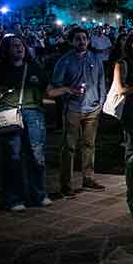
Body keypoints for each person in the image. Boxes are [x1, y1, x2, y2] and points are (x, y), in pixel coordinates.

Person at [0, 35, 55, 210]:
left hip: (33, 114)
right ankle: (14, 199)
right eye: (13, 46)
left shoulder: (35, 68)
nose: (18, 48)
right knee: (13, 157)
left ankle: (39, 194)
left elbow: (48, 90)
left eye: (20, 45)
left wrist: (67, 90)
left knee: (36, 155)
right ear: (6, 50)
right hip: (8, 114)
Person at [52, 27, 107, 194]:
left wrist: (101, 102)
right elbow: (56, 84)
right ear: (71, 41)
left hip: (93, 108)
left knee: (89, 144)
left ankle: (88, 178)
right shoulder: (64, 61)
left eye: (84, 38)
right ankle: (66, 184)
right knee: (69, 147)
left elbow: (101, 80)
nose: (82, 41)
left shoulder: (95, 58)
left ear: (88, 40)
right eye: (78, 39)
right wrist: (69, 91)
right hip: (73, 109)